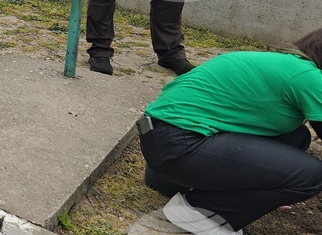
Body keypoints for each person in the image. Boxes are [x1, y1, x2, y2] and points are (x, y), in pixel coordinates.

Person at [137, 29, 322, 234]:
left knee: (296, 136)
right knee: (312, 175)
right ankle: (201, 212)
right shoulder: (309, 78)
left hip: (160, 140)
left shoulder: (283, 63)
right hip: (182, 148)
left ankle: (182, 187)